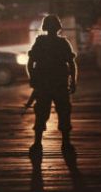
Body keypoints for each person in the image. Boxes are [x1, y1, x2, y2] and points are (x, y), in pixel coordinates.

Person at [26, 14, 78, 154]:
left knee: (41, 114)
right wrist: (73, 81)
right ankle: (66, 143)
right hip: (60, 84)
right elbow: (71, 64)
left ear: (45, 27)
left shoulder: (40, 42)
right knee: (64, 112)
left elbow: (31, 63)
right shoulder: (63, 43)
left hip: (44, 85)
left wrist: (33, 78)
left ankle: (37, 143)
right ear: (58, 27)